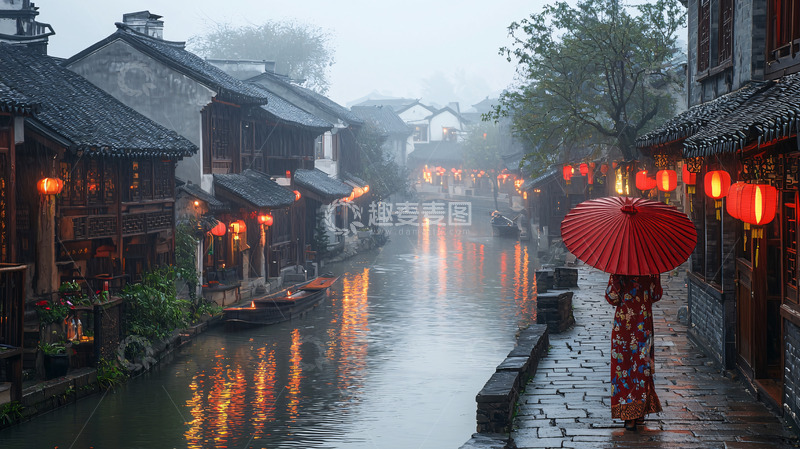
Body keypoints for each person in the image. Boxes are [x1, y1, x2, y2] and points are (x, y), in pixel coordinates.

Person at [604, 273, 663, 431]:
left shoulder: (619, 269)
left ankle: (629, 415)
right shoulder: (651, 268)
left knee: (623, 368)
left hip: (624, 324)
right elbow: (656, 295)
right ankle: (640, 412)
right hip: (643, 322)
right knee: (642, 367)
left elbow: (612, 297)